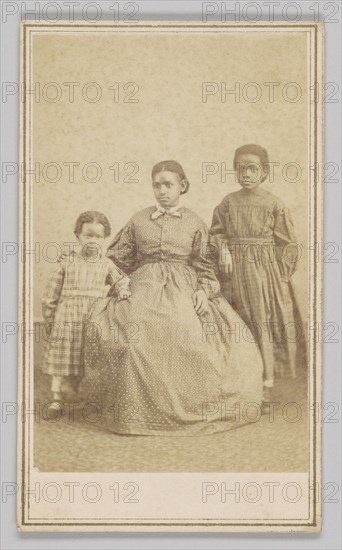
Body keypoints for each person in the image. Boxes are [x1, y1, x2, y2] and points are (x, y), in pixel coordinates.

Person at [82, 160, 263, 435]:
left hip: (185, 287)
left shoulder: (194, 222)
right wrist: (120, 284)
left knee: (190, 335)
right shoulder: (139, 219)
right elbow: (117, 260)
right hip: (144, 285)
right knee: (134, 338)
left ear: (182, 186)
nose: (162, 191)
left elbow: (206, 264)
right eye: (157, 185)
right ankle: (134, 414)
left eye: (168, 184)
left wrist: (204, 289)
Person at [210, 144, 306, 405]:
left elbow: (289, 244)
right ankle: (238, 384)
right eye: (241, 169)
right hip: (231, 274)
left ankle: (265, 386)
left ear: (264, 172)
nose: (247, 174)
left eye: (253, 168)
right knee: (235, 324)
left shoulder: (274, 203)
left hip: (262, 275)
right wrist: (224, 250)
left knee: (261, 325)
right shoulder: (228, 202)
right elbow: (215, 234)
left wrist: (279, 275)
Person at [41, 210, 131, 412]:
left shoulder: (105, 263)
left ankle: (90, 396)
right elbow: (51, 295)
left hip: (93, 318)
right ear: (77, 236)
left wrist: (123, 290)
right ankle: (56, 398)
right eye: (87, 235)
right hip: (66, 318)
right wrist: (49, 320)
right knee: (63, 357)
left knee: (87, 357)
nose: (92, 241)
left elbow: (121, 280)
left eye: (98, 236)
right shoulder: (67, 262)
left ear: (105, 238)